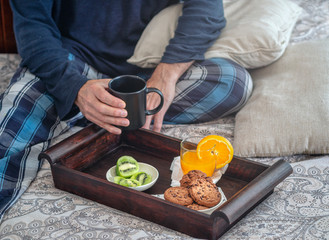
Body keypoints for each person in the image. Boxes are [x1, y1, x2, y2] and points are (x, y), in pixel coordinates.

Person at [0, 0, 252, 219]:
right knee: (11, 122)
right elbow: (33, 26)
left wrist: (167, 73)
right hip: (74, 65)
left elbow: (208, 9)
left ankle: (93, 115)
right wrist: (74, 89)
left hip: (150, 69)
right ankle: (91, 109)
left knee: (232, 83)